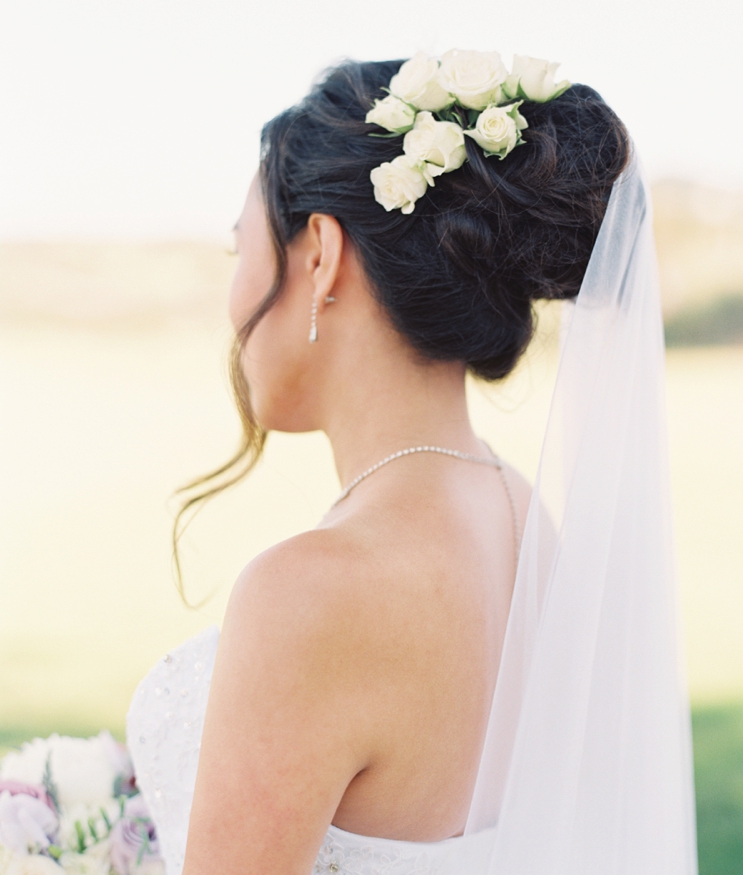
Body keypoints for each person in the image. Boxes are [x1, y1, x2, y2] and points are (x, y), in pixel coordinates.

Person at [127, 52, 698, 874]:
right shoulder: (519, 515)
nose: (232, 301)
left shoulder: (309, 595)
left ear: (320, 254)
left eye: (236, 251)